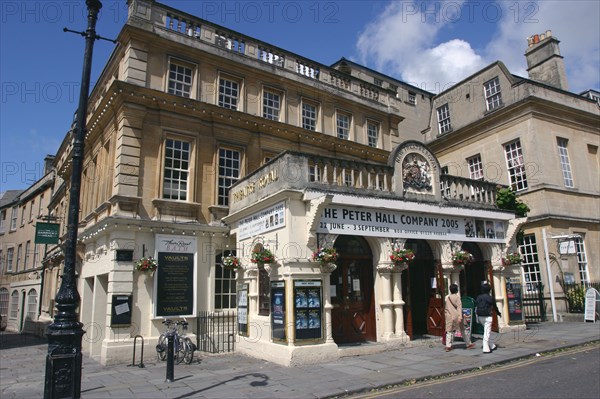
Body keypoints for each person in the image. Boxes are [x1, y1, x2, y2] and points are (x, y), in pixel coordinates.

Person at [444, 283, 475, 352]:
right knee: (463, 330)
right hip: (456, 316)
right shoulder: (457, 298)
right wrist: (460, 317)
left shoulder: (447, 297)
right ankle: (468, 343)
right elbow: (459, 308)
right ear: (456, 290)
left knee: (449, 331)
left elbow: (446, 308)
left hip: (449, 316)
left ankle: (448, 346)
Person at [476, 282, 502, 353]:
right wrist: (498, 313)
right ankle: (485, 348)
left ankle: (492, 345)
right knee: (486, 332)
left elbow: (477, 305)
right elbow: (495, 307)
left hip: (480, 316)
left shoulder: (478, 297)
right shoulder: (490, 298)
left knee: (487, 330)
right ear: (489, 290)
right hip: (487, 317)